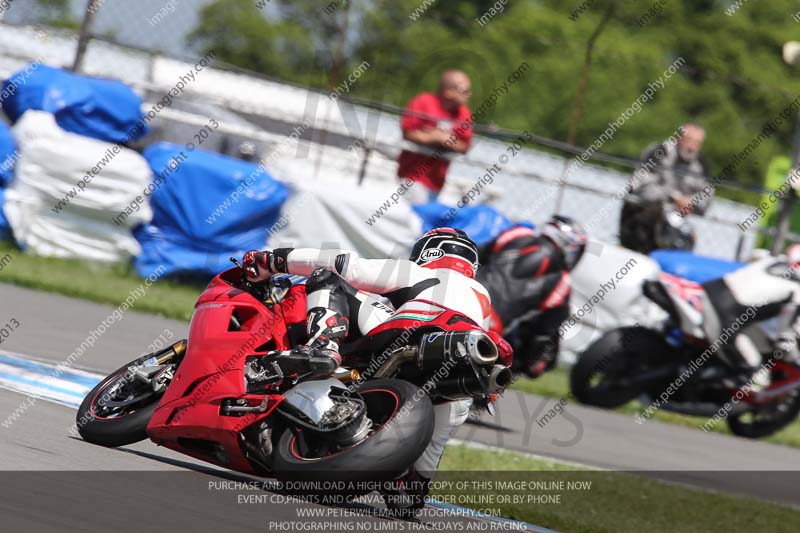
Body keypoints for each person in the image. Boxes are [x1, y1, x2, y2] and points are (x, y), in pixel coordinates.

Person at [242, 228, 510, 516]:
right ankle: (407, 488)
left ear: (428, 252)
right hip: (457, 381)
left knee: (327, 278)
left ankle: (323, 345)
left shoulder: (416, 272)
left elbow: (345, 264)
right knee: (416, 485)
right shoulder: (483, 299)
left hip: (408, 334)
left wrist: (273, 260)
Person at [477, 216, 588, 378]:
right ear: (571, 247)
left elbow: (476, 254)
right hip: (488, 328)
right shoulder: (563, 284)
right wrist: (533, 364)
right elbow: (541, 339)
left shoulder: (517, 233)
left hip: (459, 295)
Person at [620, 123, 711, 254]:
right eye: (689, 140)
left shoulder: (701, 164)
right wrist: (675, 198)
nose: (692, 147)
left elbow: (706, 200)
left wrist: (691, 202)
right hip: (640, 218)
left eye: (697, 143)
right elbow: (642, 186)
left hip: (675, 226)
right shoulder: (658, 152)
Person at [397, 70, 473, 204]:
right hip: (412, 178)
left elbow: (465, 146)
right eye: (464, 90)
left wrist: (446, 139)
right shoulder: (423, 102)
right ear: (448, 92)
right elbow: (408, 132)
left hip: (437, 184)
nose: (469, 95)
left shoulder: (463, 114)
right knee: (415, 217)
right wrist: (436, 137)